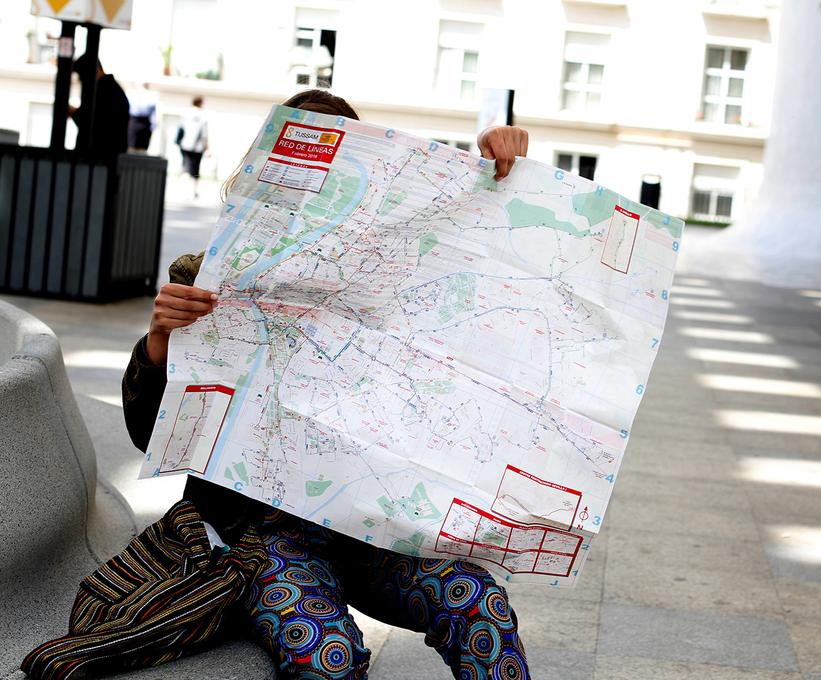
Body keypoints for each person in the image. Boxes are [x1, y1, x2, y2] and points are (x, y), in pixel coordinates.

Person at [122, 89, 532, 679]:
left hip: (371, 530)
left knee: (479, 604)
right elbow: (146, 434)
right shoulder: (207, 282)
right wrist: (160, 344)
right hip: (263, 540)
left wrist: (503, 167)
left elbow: (488, 267)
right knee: (327, 660)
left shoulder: (392, 282)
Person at [68, 53, 129, 158]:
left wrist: (73, 112)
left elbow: (93, 124)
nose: (81, 81)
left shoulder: (105, 91)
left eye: (82, 76)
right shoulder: (111, 89)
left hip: (99, 159)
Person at [177, 96, 209, 199]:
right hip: (197, 148)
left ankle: (182, 190)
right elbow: (204, 134)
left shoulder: (186, 113)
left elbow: (180, 128)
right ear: (200, 103)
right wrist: (207, 148)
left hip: (185, 145)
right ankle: (193, 191)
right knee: (195, 169)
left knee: (185, 166)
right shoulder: (203, 115)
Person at [126, 82, 159, 153]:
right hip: (135, 121)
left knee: (135, 149)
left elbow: (154, 115)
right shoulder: (133, 94)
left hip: (142, 122)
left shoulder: (150, 95)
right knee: (135, 148)